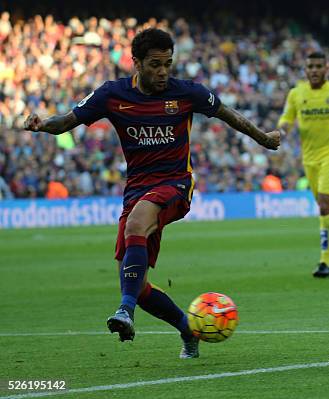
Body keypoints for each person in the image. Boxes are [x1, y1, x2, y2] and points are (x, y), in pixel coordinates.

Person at [23, 28, 280, 358]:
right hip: (137, 190)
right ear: (137, 63)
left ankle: (124, 312)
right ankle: (187, 330)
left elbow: (228, 114)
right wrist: (43, 124)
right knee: (138, 285)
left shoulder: (187, 93)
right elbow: (69, 120)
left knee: (136, 226)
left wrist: (263, 138)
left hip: (176, 184)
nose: (163, 72)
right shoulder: (112, 95)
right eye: (155, 64)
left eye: (168, 64)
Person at [278, 52, 329, 277]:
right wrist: (283, 129)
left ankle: (325, 262)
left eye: (318, 66)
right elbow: (287, 117)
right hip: (309, 159)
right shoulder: (296, 93)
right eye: (310, 66)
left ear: (327, 68)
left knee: (325, 205)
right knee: (327, 209)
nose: (314, 70)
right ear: (305, 70)